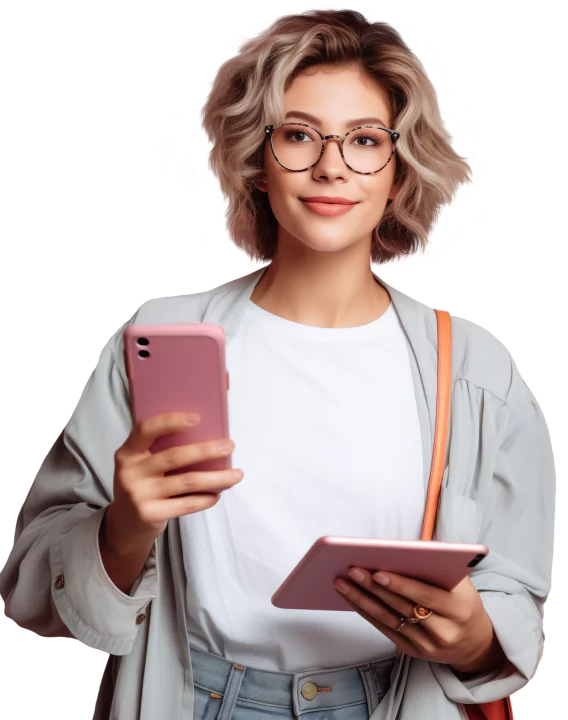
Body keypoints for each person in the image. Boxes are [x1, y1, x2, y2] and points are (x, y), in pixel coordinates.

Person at [0, 7, 554, 720]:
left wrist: (477, 637)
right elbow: (30, 588)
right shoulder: (160, 335)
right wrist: (125, 526)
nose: (331, 165)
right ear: (258, 160)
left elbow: (517, 599)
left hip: (393, 702)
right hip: (193, 702)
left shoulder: (477, 368)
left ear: (398, 169)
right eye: (299, 135)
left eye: (364, 140)